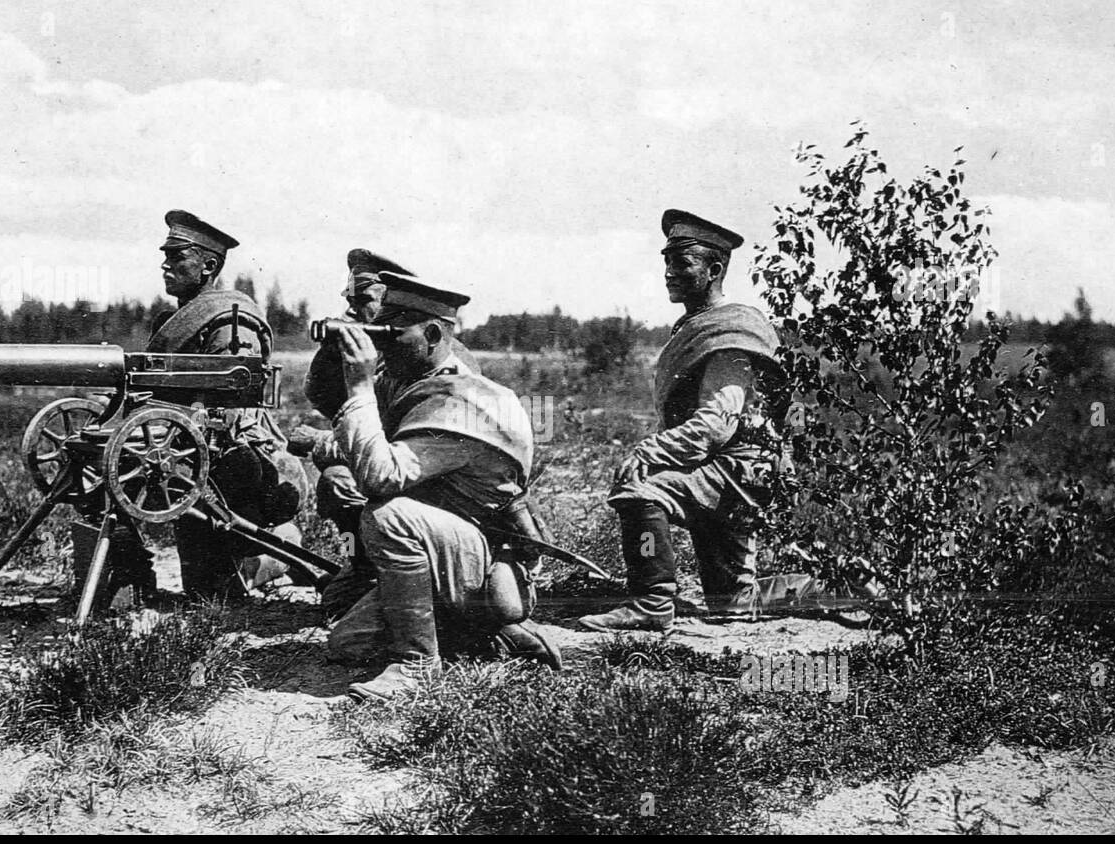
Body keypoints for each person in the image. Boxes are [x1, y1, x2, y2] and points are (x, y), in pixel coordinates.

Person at [297, 271, 561, 700]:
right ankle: (483, 634)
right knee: (349, 643)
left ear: (435, 333)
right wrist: (338, 355)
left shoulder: (469, 400)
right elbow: (344, 416)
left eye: (392, 333)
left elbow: (380, 474)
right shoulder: (415, 380)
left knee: (389, 514)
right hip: (443, 548)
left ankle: (417, 664)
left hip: (482, 555)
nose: (383, 344)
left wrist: (361, 385)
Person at [72, 210, 309, 602]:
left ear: (209, 265)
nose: (166, 264)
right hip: (186, 447)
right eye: (166, 255)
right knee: (99, 464)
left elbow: (233, 408)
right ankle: (128, 575)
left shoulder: (232, 322)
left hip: (235, 463)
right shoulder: (179, 319)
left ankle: (276, 551)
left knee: (209, 594)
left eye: (178, 255)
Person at [579, 209, 789, 632]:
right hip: (724, 469)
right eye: (666, 262)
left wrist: (649, 451)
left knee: (638, 489)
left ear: (714, 270)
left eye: (681, 262)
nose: (669, 273)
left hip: (735, 473)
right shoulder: (698, 325)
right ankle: (844, 583)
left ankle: (652, 601)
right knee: (733, 604)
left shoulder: (732, 331)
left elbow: (717, 424)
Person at [290, 250, 477, 620]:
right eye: (350, 303)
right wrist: (333, 351)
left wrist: (320, 443)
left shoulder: (448, 367)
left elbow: (387, 451)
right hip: (402, 484)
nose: (353, 312)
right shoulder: (396, 362)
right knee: (338, 484)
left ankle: (415, 589)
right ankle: (364, 567)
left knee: (341, 481)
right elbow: (333, 403)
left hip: (439, 503)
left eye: (364, 303)